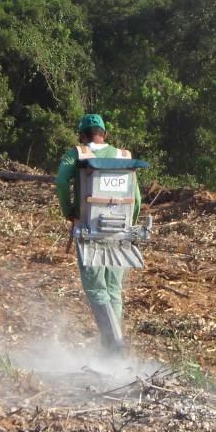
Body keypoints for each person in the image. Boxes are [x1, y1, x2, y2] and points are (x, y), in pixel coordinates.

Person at [55, 114, 142, 352]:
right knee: (114, 289)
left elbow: (61, 182)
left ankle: (114, 346)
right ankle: (113, 344)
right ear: (105, 134)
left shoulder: (77, 153)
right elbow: (137, 199)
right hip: (120, 232)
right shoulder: (124, 156)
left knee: (96, 289)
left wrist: (70, 212)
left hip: (89, 230)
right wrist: (128, 224)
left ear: (82, 135)